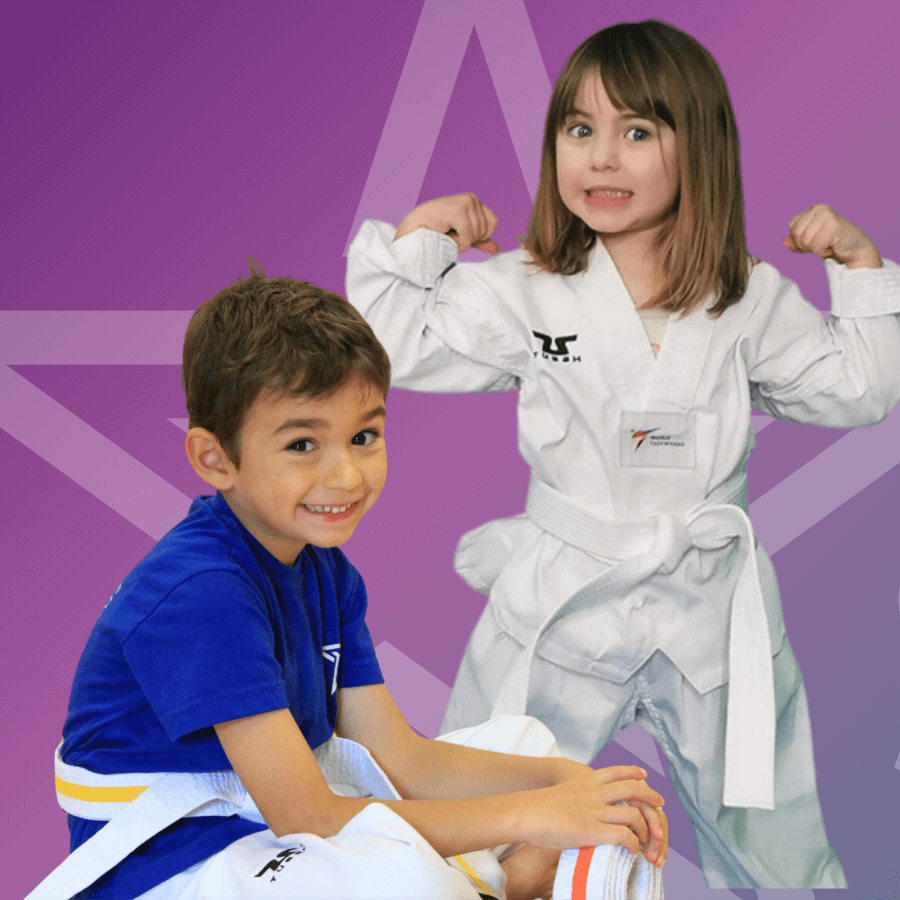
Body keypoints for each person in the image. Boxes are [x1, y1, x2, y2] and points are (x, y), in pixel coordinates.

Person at [345, 18, 900, 889]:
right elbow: (390, 345)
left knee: (775, 843)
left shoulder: (747, 300)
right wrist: (423, 238)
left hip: (710, 612)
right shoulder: (528, 288)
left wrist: (862, 269)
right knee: (479, 825)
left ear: (701, 149)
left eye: (637, 131)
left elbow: (860, 391)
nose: (600, 158)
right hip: (564, 602)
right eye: (579, 129)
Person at [28, 269, 668, 900]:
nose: (346, 475)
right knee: (404, 879)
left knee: (528, 745)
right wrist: (537, 817)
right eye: (303, 444)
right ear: (214, 458)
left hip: (267, 815)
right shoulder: (202, 592)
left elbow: (404, 759)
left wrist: (565, 783)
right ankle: (507, 877)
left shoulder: (321, 567)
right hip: (175, 858)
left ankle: (505, 877)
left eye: (363, 436)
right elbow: (310, 818)